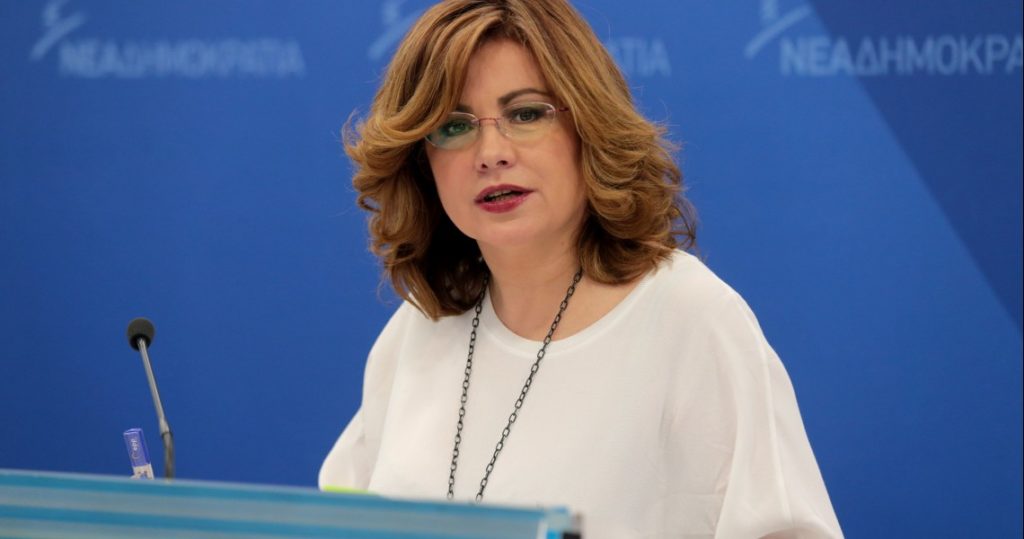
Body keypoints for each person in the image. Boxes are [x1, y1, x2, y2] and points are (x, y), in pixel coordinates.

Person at [320, 0, 843, 536]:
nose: (491, 152)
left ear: (588, 126)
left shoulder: (690, 319)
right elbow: (342, 521)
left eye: (526, 114)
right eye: (454, 126)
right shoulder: (418, 330)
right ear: (421, 162)